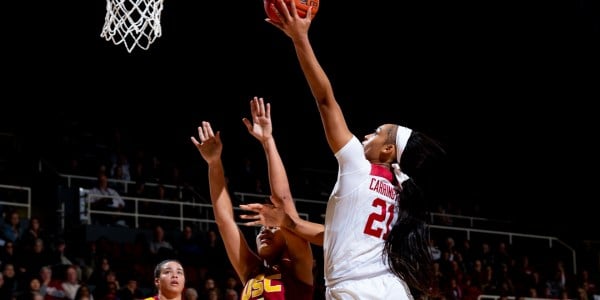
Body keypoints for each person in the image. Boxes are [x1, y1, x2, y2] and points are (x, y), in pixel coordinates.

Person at [242, 1, 446, 299]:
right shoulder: (401, 188)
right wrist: (287, 223)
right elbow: (334, 237)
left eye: (378, 133)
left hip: (355, 290)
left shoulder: (359, 166)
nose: (367, 134)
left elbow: (325, 99)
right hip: (390, 289)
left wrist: (300, 39)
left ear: (388, 150)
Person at [190, 97, 314, 300]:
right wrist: (214, 164)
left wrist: (268, 142)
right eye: (262, 227)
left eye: (272, 226)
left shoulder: (298, 265)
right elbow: (224, 222)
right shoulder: (250, 269)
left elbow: (283, 200)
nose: (264, 230)